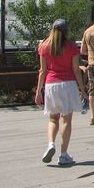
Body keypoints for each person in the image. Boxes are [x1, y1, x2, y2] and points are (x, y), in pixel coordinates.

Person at [35, 19, 87, 165]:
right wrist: (82, 90)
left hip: (51, 84)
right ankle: (63, 154)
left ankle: (51, 143)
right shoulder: (71, 47)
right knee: (66, 120)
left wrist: (38, 91)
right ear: (66, 31)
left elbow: (42, 71)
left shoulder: (44, 46)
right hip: (68, 84)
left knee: (53, 119)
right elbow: (76, 70)